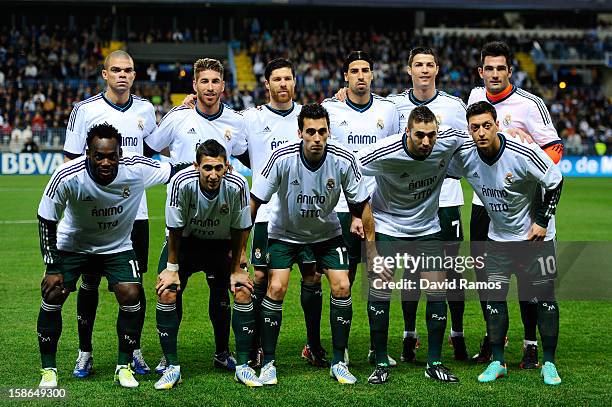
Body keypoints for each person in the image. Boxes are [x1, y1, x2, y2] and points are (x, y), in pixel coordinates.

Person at [36, 123, 186, 388]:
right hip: (74, 245)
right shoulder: (68, 175)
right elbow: (46, 217)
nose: (106, 161)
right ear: (88, 153)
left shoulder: (136, 169)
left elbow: (176, 170)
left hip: (116, 247)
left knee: (131, 293)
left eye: (111, 155)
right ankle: (49, 370)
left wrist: (212, 164)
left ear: (120, 154)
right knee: (53, 292)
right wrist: (52, 266)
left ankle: (123, 365)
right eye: (99, 155)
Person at [250, 103, 374, 385]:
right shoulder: (281, 158)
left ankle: (339, 360)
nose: (316, 138)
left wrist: (373, 250)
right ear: (300, 133)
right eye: (310, 132)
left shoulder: (343, 158)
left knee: (342, 285)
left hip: (326, 235)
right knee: (277, 287)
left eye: (321, 131)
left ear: (329, 132)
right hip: (284, 233)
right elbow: (255, 202)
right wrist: (240, 247)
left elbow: (362, 204)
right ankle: (268, 362)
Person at [448, 101, 563, 385]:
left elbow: (555, 181)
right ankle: (498, 361)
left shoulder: (522, 152)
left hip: (535, 240)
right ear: (469, 130)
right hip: (498, 240)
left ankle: (548, 362)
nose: (481, 132)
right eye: (475, 127)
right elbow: (435, 165)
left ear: (497, 125)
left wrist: (542, 221)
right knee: (495, 300)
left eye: (487, 125)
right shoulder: (464, 156)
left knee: (545, 300)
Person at [145, 58, 248, 373]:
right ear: (195, 85)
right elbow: (151, 147)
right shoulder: (179, 117)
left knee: (221, 292)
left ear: (223, 85)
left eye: (215, 81)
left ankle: (222, 352)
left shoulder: (236, 121)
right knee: (170, 288)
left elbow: (247, 155)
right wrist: (175, 170)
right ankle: (168, 355)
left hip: (219, 228)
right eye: (204, 81)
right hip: (183, 229)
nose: (210, 87)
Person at [468, 41, 564, 367]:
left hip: (520, 202)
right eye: (489, 69)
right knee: (486, 276)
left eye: (500, 68)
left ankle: (531, 343)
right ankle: (493, 337)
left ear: (510, 71)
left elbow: (554, 149)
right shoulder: (474, 98)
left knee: (527, 280)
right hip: (484, 203)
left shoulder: (529, 104)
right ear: (481, 72)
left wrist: (528, 171)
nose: (494, 74)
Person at [356, 105, 468, 384]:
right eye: (419, 135)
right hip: (388, 226)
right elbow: (349, 171)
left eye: (431, 135)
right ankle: (380, 360)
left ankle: (434, 362)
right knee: (380, 290)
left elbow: (482, 139)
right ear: (407, 131)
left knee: (436, 291)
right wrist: (357, 214)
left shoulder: (449, 140)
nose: (426, 142)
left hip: (428, 228)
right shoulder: (384, 151)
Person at [62, 50, 157, 377]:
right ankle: (84, 351)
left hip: (136, 212)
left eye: (128, 70)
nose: (122, 75)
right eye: (116, 69)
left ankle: (134, 351)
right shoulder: (84, 111)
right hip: (94, 214)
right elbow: (70, 162)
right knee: (89, 281)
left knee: (135, 283)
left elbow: (155, 152)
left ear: (134, 74)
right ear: (104, 74)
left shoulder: (146, 109)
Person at [386, 46, 469, 363]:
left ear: (437, 69)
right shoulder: (393, 107)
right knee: (412, 271)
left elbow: (463, 151)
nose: (424, 69)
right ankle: (410, 337)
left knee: (450, 272)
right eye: (418, 64)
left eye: (429, 64)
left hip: (446, 198)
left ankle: (457, 336)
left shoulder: (453, 106)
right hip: (409, 202)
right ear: (409, 70)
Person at [241, 58, 326, 368]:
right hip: (265, 213)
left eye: (288, 78)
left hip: (302, 214)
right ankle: (258, 346)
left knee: (312, 275)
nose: (282, 84)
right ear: (267, 84)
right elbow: (232, 140)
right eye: (276, 79)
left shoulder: (306, 118)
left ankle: (313, 344)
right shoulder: (251, 118)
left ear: (294, 82)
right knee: (262, 278)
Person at [154, 140, 254, 389]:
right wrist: (172, 269)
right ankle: (171, 363)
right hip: (185, 244)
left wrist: (238, 264)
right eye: (207, 168)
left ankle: (234, 361)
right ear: (196, 165)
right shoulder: (181, 182)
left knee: (240, 290)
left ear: (227, 167)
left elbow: (241, 226)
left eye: (218, 168)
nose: (212, 175)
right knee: (167, 292)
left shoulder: (238, 184)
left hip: (220, 245)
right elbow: (174, 230)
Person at [323, 50, 400, 366]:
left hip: (378, 209)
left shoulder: (388, 110)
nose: (360, 75)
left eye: (365, 69)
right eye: (353, 70)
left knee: (379, 278)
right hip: (341, 208)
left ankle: (377, 349)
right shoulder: (331, 108)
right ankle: (341, 351)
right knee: (344, 281)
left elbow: (395, 154)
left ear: (372, 75)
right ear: (345, 76)